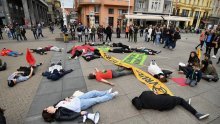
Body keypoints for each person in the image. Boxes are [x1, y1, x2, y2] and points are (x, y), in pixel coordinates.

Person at [42, 89, 118, 122]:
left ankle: (106, 92)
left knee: (93, 92)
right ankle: (111, 95)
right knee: (96, 99)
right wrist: (79, 113)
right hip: (80, 105)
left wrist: (67, 98)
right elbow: (69, 118)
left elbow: (62, 100)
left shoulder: (55, 105)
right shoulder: (58, 116)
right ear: (49, 112)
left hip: (77, 99)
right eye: (47, 108)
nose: (48, 106)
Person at [132, 91, 210, 120]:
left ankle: (183, 103)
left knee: (174, 100)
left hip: (163, 107)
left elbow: (154, 98)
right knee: (180, 99)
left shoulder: (143, 106)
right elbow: (156, 93)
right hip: (169, 101)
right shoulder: (144, 93)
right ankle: (196, 113)